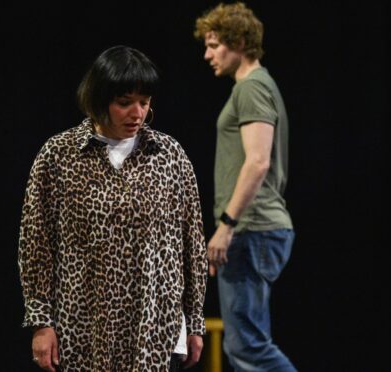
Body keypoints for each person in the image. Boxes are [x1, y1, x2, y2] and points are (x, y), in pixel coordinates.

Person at [18, 45, 207, 371]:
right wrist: (40, 321)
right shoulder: (59, 156)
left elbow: (192, 244)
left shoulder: (169, 155)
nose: (137, 113)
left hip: (156, 331)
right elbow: (36, 243)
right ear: (98, 99)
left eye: (144, 103)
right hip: (84, 332)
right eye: (124, 103)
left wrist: (195, 322)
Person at [194, 3, 297, 371]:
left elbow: (258, 161)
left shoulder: (251, 87)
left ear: (238, 41)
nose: (207, 55)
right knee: (245, 348)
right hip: (257, 229)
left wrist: (226, 225)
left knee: (248, 349)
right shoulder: (255, 86)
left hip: (252, 228)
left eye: (213, 44)